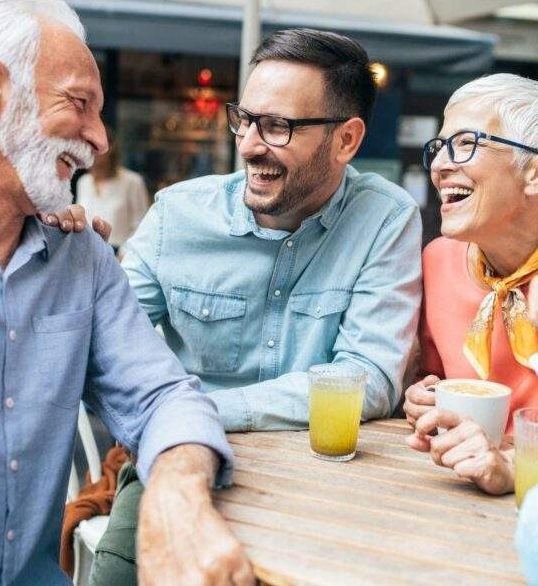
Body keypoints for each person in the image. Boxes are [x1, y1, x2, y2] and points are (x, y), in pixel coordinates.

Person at [0, 0, 254, 585]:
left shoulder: (81, 256)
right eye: (79, 103)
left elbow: (161, 396)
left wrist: (175, 493)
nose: (101, 140)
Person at [88, 28, 423, 584]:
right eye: (244, 118)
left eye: (277, 126)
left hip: (331, 481)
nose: (247, 144)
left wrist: (199, 412)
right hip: (181, 464)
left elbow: (369, 377)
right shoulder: (177, 214)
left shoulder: (386, 219)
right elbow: (108, 346)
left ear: (346, 140)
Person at [404, 73, 538, 495]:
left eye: (465, 144)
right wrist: (424, 397)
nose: (440, 166)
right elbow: (434, 375)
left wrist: (515, 465)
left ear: (533, 172)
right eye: (439, 148)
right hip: (453, 504)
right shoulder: (437, 260)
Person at [76, 126, 149, 255]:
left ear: (110, 148)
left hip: (119, 255)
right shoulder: (84, 182)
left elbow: (141, 227)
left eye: (94, 147)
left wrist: (123, 255)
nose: (90, 152)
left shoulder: (132, 182)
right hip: (86, 254)